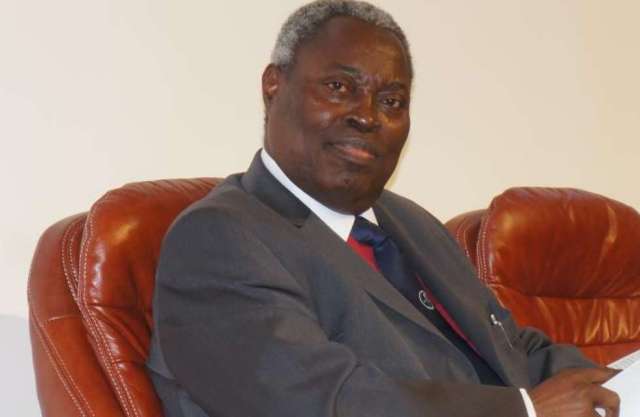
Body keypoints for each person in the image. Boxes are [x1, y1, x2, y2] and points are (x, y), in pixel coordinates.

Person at [147, 1, 620, 416]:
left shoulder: (411, 222)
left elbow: (509, 348)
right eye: (338, 87)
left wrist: (618, 386)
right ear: (274, 85)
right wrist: (526, 411)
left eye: (391, 101)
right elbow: (317, 401)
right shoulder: (217, 238)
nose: (367, 116)